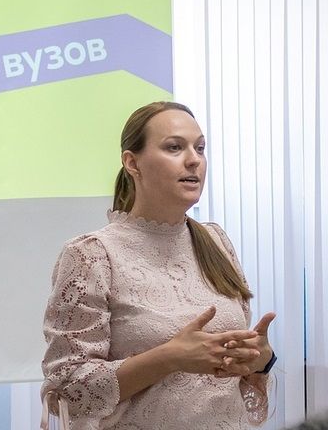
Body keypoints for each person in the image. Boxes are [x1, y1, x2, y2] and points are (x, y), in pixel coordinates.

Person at [41, 101, 277, 429]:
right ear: (132, 163)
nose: (194, 160)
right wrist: (169, 357)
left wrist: (260, 359)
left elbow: (235, 376)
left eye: (200, 148)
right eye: (174, 147)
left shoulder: (216, 241)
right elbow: (67, 390)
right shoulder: (92, 254)